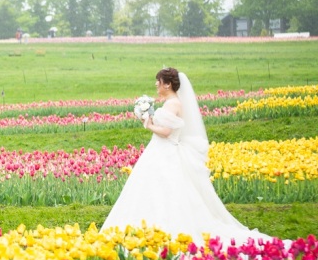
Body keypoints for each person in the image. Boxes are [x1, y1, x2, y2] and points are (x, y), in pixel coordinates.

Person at [100, 67, 267, 244]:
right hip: (159, 150)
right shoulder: (171, 102)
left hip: (165, 150)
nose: (157, 84)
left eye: (160, 82)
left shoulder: (173, 104)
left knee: (164, 189)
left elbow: (166, 132)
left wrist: (148, 125)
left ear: (168, 84)